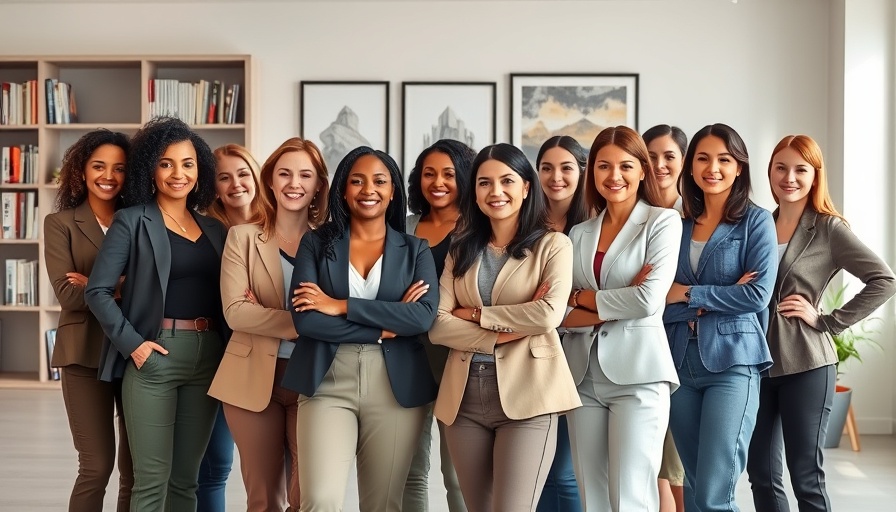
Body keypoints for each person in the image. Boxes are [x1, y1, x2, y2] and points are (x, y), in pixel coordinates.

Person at [282, 146, 439, 511]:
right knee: (319, 500)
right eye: (357, 180)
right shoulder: (316, 243)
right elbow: (306, 319)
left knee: (384, 504)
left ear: (393, 190)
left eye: (379, 181)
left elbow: (421, 318)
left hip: (396, 387)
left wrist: (341, 306)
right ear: (343, 190)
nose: (368, 189)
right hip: (326, 383)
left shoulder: (416, 249)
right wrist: (383, 324)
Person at [85, 116, 229, 512]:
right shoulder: (131, 221)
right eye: (166, 163)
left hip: (208, 355)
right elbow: (97, 291)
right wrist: (135, 346)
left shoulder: (215, 230)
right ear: (150, 168)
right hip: (154, 355)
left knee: (186, 481)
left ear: (200, 170)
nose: (177, 173)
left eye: (187, 164)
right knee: (150, 482)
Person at [746, 135, 896, 512]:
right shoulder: (756, 223)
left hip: (807, 363)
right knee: (761, 474)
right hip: (754, 361)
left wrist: (828, 320)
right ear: (770, 172)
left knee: (805, 475)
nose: (789, 177)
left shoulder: (829, 228)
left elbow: (884, 280)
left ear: (815, 176)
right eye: (781, 167)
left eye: (801, 169)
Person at [428, 143, 581, 512]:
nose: (495, 192)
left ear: (527, 187)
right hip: (463, 397)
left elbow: (547, 315)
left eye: (506, 181)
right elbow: (437, 325)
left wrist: (477, 314)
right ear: (475, 192)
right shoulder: (461, 248)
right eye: (484, 183)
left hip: (530, 394)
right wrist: (506, 329)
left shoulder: (553, 245)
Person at [561, 126, 681, 511]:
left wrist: (582, 298)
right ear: (591, 173)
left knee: (631, 497)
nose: (614, 176)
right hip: (582, 376)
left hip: (639, 377)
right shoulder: (578, 233)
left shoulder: (662, 223)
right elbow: (558, 311)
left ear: (643, 170)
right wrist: (605, 301)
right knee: (591, 498)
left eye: (626, 166)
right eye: (603, 166)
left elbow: (647, 300)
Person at [209, 137, 329, 511]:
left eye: (305, 175)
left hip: (316, 377)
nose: (295, 183)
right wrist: (306, 320)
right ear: (270, 181)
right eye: (285, 173)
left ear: (318, 185)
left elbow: (345, 310)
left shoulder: (333, 244)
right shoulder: (242, 238)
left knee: (308, 496)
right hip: (250, 376)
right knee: (263, 499)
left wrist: (264, 314)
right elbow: (235, 312)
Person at [663, 123, 778, 512]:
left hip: (733, 362)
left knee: (715, 494)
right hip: (679, 362)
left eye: (724, 159)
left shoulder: (756, 222)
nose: (713, 167)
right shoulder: (674, 227)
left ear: (739, 167)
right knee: (694, 488)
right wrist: (724, 293)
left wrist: (689, 293)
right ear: (691, 167)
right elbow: (655, 299)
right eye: (703, 158)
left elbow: (756, 295)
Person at [44, 129, 133, 512]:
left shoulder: (139, 220)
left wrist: (95, 285)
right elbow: (66, 294)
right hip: (83, 355)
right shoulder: (59, 223)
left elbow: (155, 290)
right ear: (81, 170)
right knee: (96, 467)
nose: (108, 175)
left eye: (119, 168)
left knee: (136, 473)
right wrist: (121, 286)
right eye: (99, 165)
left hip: (134, 351)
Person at [403, 139, 475, 512]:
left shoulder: (478, 228)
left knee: (458, 475)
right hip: (405, 355)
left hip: (456, 356)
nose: (438, 182)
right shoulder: (404, 226)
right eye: (429, 173)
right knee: (410, 471)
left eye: (449, 173)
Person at [197, 143, 263, 511]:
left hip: (277, 356)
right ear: (214, 187)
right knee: (216, 465)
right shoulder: (205, 231)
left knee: (278, 471)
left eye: (243, 173)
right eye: (224, 177)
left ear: (256, 176)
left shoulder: (282, 221)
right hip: (221, 354)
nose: (236, 184)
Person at [534, 135, 589, 512]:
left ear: (582, 172)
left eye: (566, 167)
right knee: (536, 471)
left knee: (565, 471)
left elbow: (610, 296)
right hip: (530, 356)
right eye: (547, 168)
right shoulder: (525, 223)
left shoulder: (594, 226)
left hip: (580, 356)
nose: (556, 177)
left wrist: (559, 305)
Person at [642, 123, 688, 512]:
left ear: (683, 162)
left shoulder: (694, 214)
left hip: (684, 346)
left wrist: (676, 292)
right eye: (650, 156)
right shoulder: (626, 213)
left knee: (678, 464)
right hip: (640, 346)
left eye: (668, 156)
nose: (659, 165)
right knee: (653, 461)